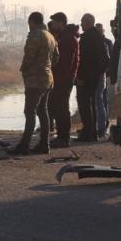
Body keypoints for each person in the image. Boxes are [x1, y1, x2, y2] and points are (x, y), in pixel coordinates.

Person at [9, 11, 58, 155]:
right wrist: (46, 67)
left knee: (29, 111)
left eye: (29, 23)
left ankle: (24, 145)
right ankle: (44, 144)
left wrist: (24, 70)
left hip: (35, 81)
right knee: (43, 111)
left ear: (31, 22)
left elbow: (29, 58)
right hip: (48, 79)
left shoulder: (35, 35)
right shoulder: (50, 36)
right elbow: (56, 58)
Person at [75, 13, 110, 142]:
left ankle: (88, 132)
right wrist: (99, 73)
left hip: (86, 78)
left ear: (88, 23)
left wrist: (81, 77)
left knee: (85, 105)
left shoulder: (86, 38)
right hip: (94, 77)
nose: (81, 24)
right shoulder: (99, 37)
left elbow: (83, 60)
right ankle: (92, 131)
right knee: (93, 104)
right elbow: (106, 60)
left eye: (82, 22)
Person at [47, 12, 80, 148]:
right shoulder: (65, 38)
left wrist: (59, 77)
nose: (53, 26)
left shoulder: (68, 39)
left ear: (61, 23)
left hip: (63, 79)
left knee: (62, 108)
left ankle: (63, 138)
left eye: (55, 23)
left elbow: (65, 62)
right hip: (62, 78)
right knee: (58, 107)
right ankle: (61, 136)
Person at [96, 23, 113, 138]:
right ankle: (103, 122)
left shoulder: (107, 42)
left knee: (102, 100)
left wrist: (106, 72)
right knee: (102, 99)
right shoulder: (106, 42)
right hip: (103, 74)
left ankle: (104, 123)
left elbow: (110, 59)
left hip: (103, 74)